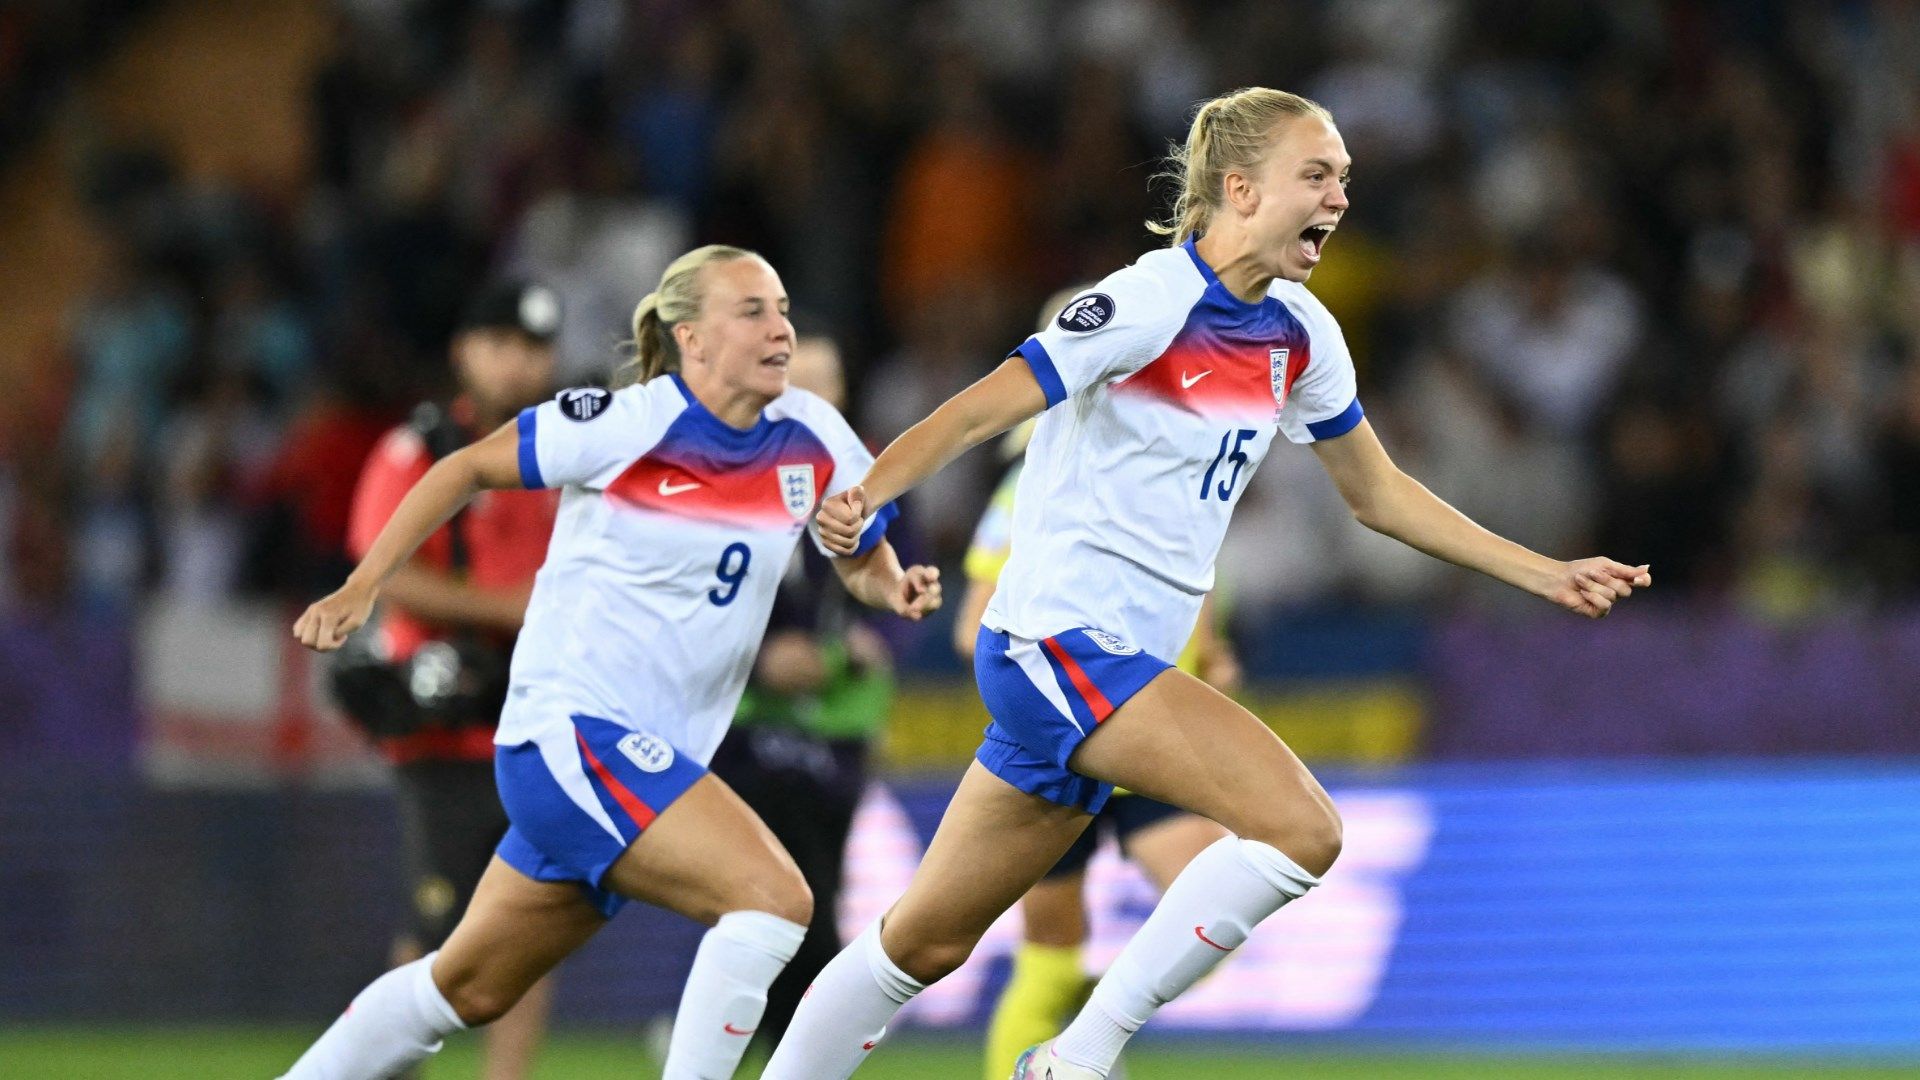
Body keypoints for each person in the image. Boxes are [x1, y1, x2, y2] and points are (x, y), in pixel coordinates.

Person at [764, 87, 1651, 1080]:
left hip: (1097, 665)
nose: (1340, 198)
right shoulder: (1144, 304)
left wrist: (1545, 572)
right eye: (1316, 175)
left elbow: (1381, 495)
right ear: (1240, 187)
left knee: (917, 946)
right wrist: (866, 496)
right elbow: (978, 411)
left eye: (1346, 180)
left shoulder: (1300, 336)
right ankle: (1079, 1057)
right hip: (1061, 643)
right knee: (1304, 828)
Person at [276, 244, 942, 1080]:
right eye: (754, 312)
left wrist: (893, 586)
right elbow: (464, 468)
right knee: (775, 902)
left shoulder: (813, 437)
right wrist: (362, 587)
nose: (781, 331)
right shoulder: (625, 424)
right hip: (574, 737)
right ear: (692, 338)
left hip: (640, 763)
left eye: (783, 312)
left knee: (463, 987)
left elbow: (856, 553)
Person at [961, 292, 1235, 1080]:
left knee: (1218, 910)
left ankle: (1087, 1027)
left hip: (1154, 730)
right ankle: (1061, 1044)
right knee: (1042, 948)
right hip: (1074, 729)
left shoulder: (1170, 465)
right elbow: (976, 617)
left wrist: (1210, 656)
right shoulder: (1028, 487)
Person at [341, 279, 565, 1080]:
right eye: (502, 343)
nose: (518, 364)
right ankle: (376, 1069)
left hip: (540, 718)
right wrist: (505, 605)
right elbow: (381, 567)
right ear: (464, 351)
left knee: (533, 927)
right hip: (448, 718)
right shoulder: (422, 449)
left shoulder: (569, 449)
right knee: (434, 929)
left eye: (534, 347)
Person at [704, 331, 899, 1056]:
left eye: (827, 383)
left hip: (843, 722)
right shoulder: (733, 477)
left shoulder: (870, 480)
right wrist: (760, 659)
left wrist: (867, 642)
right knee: (783, 901)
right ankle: (793, 1044)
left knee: (808, 894)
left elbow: (907, 586)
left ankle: (749, 1036)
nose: (813, 399)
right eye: (797, 383)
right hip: (749, 722)